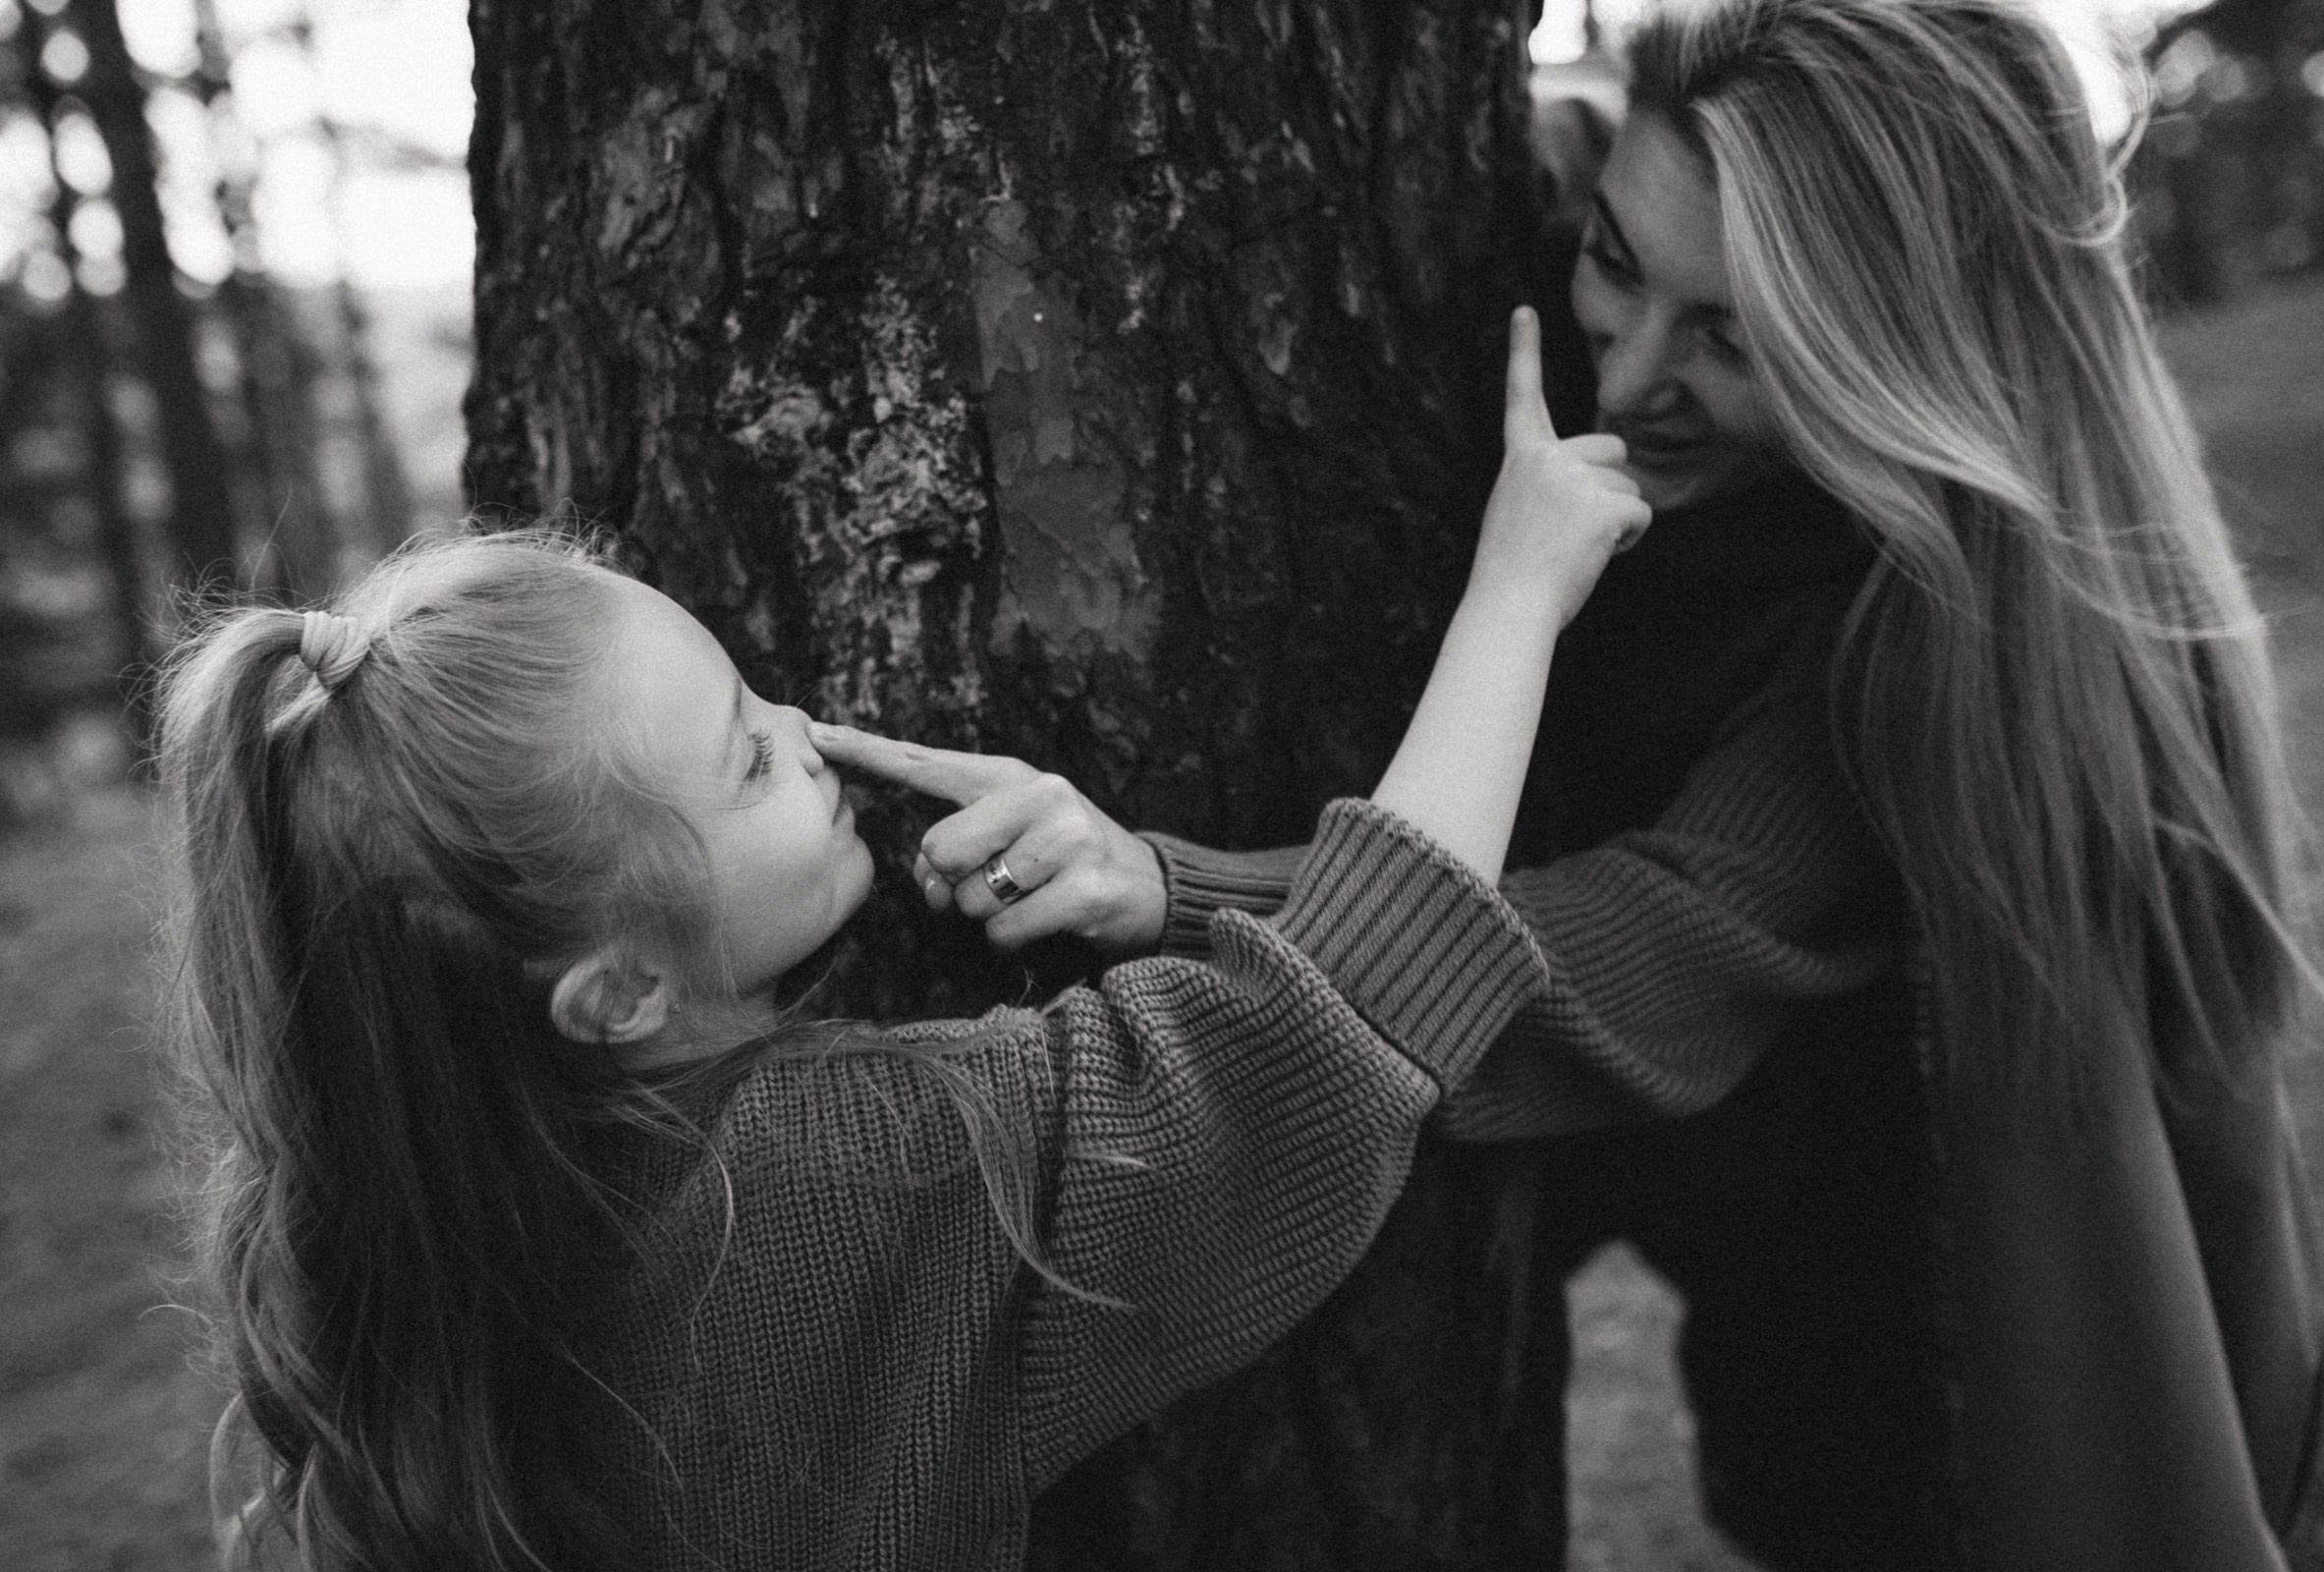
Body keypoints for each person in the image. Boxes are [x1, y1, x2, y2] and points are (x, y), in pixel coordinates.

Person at [984, 1, 2324, 1568]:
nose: (1627, 379)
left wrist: (1176, 889)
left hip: (1990, 1436)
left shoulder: (1929, 637)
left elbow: (1657, 941)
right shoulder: (1634, 186)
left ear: (1897, 358)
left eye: (1737, 341)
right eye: (1617, 268)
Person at [159, 312, 1648, 1572]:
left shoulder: (351, 1240)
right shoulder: (826, 1188)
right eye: (748, 758)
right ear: (616, 995)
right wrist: (1517, 595)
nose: (807, 732)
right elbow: (1307, 1062)